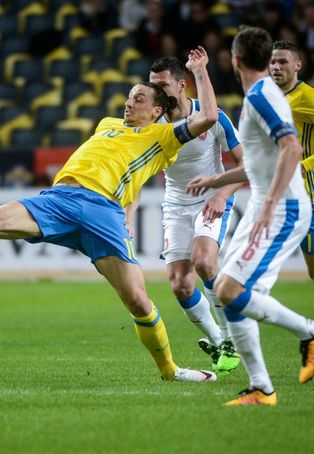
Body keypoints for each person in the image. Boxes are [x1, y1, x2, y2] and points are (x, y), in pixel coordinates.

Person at [0, 47, 221, 383]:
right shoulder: (106, 123)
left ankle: (171, 370)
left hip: (102, 213)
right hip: (60, 198)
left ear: (157, 111)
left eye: (139, 98)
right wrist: (129, 207)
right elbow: (128, 169)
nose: (130, 101)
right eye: (129, 95)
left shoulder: (164, 138)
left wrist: (200, 72)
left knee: (139, 302)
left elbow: (206, 117)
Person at [187, 27, 314, 406]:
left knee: (228, 290)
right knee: (231, 290)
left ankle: (308, 334)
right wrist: (217, 178)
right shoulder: (260, 95)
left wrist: (272, 203)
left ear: (235, 58)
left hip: (282, 209)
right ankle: (261, 388)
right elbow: (261, 164)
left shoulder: (261, 96)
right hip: (266, 204)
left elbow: (291, 147)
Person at [127, 56, 244, 374]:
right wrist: (127, 216)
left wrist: (222, 193)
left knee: (204, 261)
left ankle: (233, 337)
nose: (156, 90)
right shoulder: (153, 123)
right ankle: (219, 340)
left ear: (182, 84)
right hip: (176, 206)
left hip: (211, 200)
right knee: (179, 283)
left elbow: (246, 166)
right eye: (152, 84)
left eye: (162, 84)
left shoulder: (213, 117)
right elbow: (138, 176)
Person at [269, 40, 314, 280]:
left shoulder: (306, 97)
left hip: (311, 191)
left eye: (283, 61)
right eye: (273, 61)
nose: (276, 66)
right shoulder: (269, 96)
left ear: (298, 65)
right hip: (288, 193)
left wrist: (305, 166)